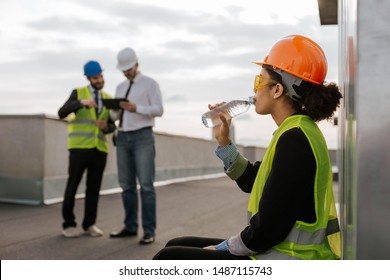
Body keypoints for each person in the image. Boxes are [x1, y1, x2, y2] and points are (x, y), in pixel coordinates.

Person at [153, 35, 342, 260]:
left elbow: (266, 231)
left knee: (170, 257)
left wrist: (225, 247)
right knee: (179, 244)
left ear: (277, 90)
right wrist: (225, 144)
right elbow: (256, 181)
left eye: (258, 81)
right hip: (281, 249)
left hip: (290, 258)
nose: (254, 90)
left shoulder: (296, 139)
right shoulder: (296, 130)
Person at [109, 47, 164, 245]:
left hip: (143, 137)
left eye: (128, 69)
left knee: (146, 186)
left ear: (136, 64)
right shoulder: (120, 87)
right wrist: (114, 111)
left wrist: (136, 108)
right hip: (122, 137)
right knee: (126, 186)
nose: (125, 73)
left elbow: (159, 110)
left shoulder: (150, 84)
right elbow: (115, 117)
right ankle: (130, 226)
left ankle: (149, 230)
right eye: (123, 70)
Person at [58, 60, 115, 238]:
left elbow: (113, 125)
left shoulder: (107, 98)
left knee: (94, 188)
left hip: (99, 149)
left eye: (100, 76)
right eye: (95, 78)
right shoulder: (78, 93)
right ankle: (68, 224)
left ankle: (89, 224)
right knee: (72, 185)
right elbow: (62, 112)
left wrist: (107, 126)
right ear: (89, 78)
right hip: (79, 148)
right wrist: (80, 103)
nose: (99, 80)